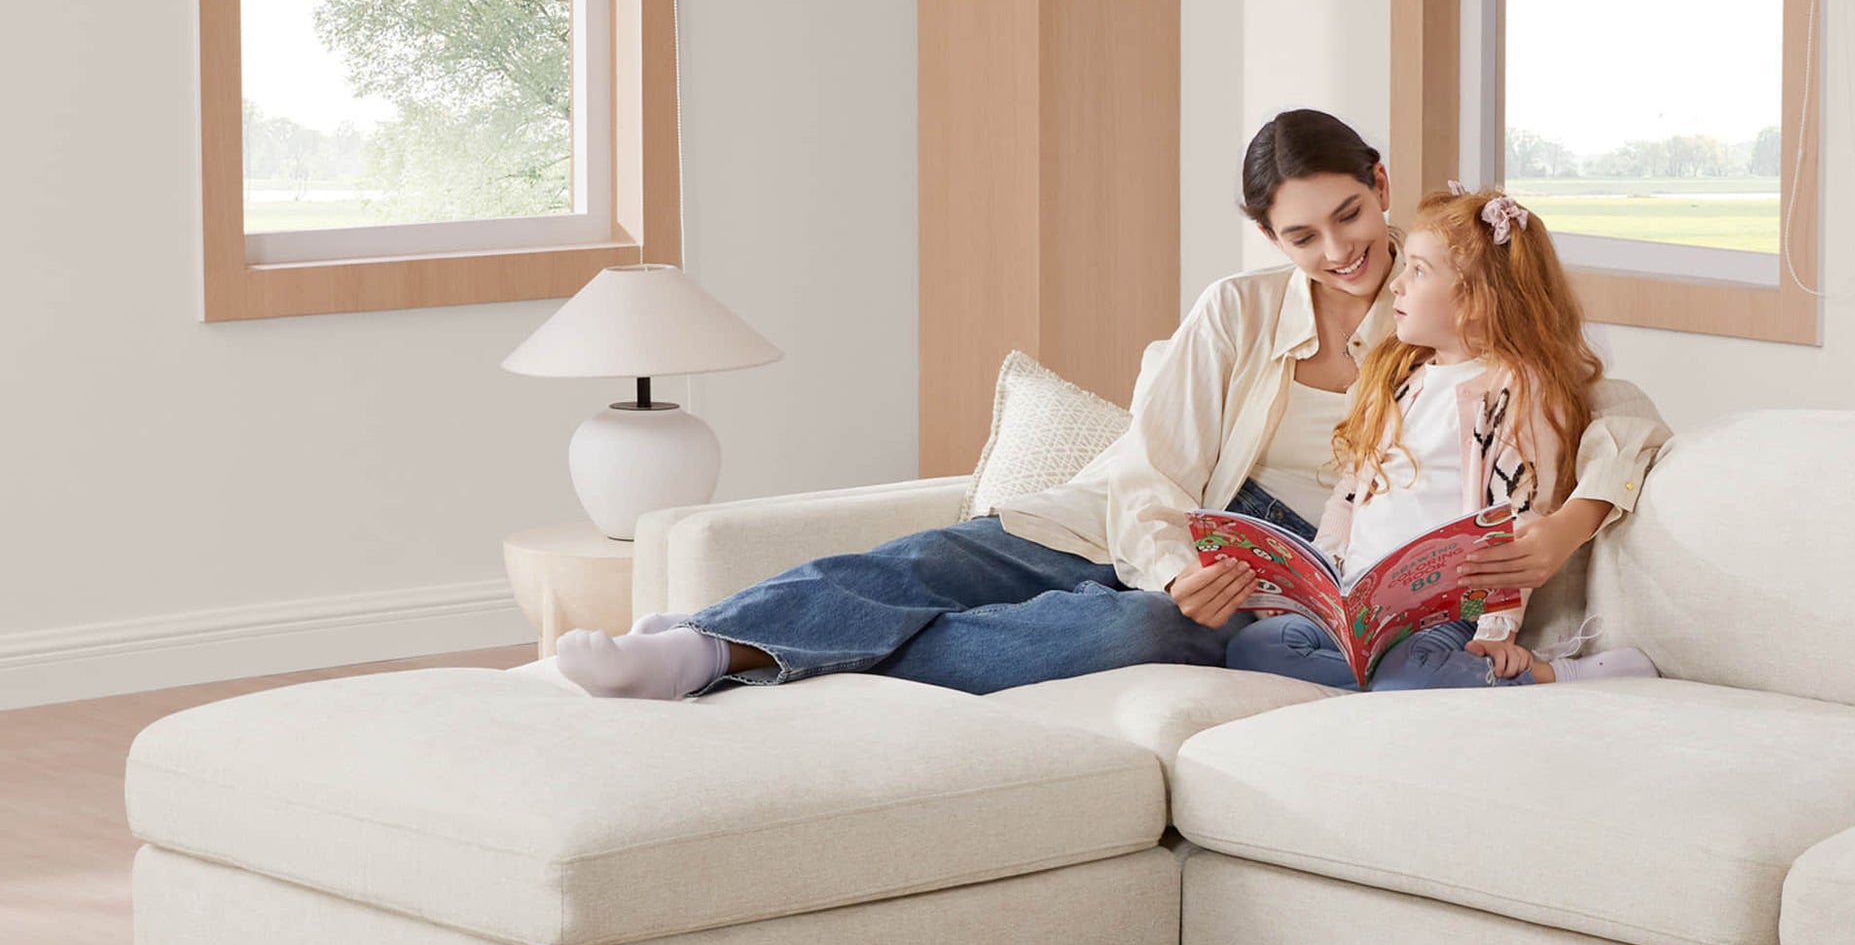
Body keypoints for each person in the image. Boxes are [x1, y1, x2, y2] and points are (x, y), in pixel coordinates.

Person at [554, 109, 1668, 700]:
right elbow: (1148, 469)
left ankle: (767, 657)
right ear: (1269, 241)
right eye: (1301, 237)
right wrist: (1171, 561)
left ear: (1378, 181)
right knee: (930, 560)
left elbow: (1610, 408)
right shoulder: (1235, 312)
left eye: (1347, 215)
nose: (1340, 253)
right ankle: (698, 644)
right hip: (1155, 524)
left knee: (1137, 628)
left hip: (1293, 564)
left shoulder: (1450, 309)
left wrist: (1567, 522)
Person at [1225, 185, 1659, 691]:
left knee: (1410, 674)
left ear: (1476, 300)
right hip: (1356, 601)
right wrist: (1321, 584)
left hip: (1446, 612)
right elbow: (1350, 494)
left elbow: (1514, 521)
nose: (1397, 286)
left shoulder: (1516, 391)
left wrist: (1498, 630)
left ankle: (1548, 675)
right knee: (1251, 646)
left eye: (1418, 270)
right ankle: (1380, 682)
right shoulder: (1399, 378)